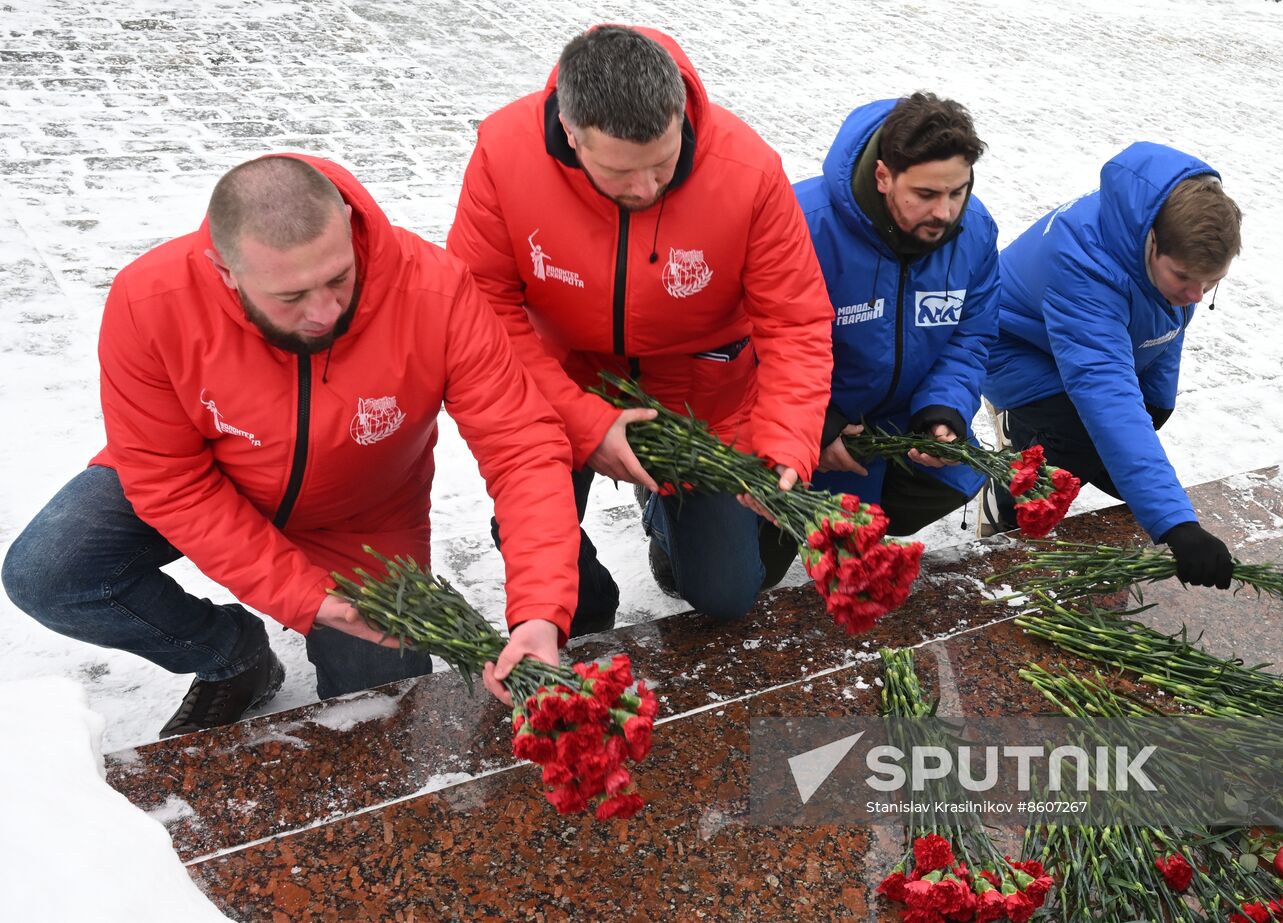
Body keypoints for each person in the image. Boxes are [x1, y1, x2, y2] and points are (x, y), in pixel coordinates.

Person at [2, 154, 581, 737]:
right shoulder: (149, 300)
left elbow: (521, 446)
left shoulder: (435, 288)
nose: (325, 313)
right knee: (49, 573)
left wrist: (539, 610)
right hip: (205, 477)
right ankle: (232, 656)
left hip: (359, 519)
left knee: (381, 708)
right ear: (225, 271)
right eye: (291, 296)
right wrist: (305, 598)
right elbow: (167, 478)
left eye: (338, 278)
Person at [447, 25, 833, 628]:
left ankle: (662, 509)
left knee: (726, 596)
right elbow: (481, 306)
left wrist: (786, 439)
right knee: (565, 596)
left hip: (699, 395)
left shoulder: (748, 170)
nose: (648, 188)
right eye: (621, 174)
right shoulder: (504, 152)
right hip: (558, 383)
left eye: (663, 163)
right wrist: (584, 422)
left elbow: (796, 321)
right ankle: (592, 600)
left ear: (681, 115)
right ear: (571, 135)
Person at [981, 141, 1242, 588]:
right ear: (1152, 240)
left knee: (1124, 448)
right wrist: (1177, 526)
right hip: (1014, 346)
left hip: (1081, 344)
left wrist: (1158, 402)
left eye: (1210, 282)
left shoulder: (1173, 233)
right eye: (1184, 278)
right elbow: (1106, 397)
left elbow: (1164, 323)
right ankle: (1003, 500)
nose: (1197, 294)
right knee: (1074, 444)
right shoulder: (1086, 266)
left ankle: (1036, 438)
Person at [771, 93, 998, 572]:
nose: (945, 212)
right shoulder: (801, 223)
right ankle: (670, 513)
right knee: (751, 572)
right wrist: (816, 423)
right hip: (798, 414)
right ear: (883, 177)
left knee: (950, 475)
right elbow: (752, 342)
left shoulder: (975, 233)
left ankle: (863, 499)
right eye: (926, 195)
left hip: (893, 417)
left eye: (958, 192)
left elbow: (969, 337)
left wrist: (943, 410)